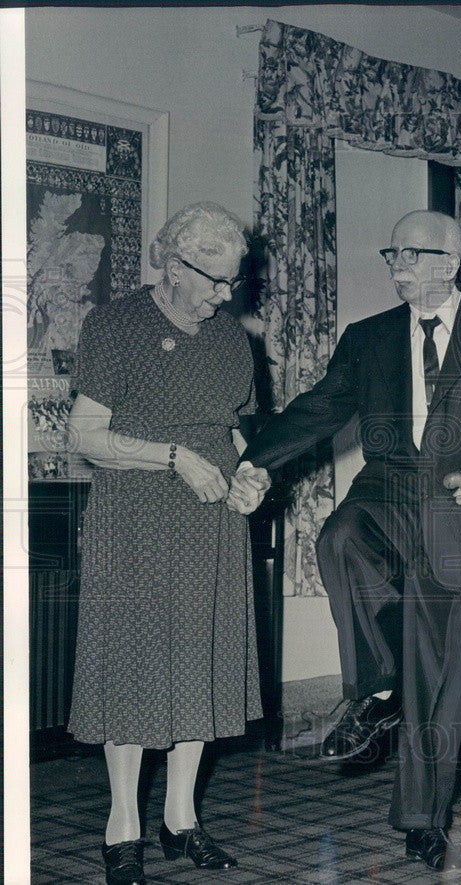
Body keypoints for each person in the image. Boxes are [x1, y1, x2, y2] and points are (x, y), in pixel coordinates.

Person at [239, 210, 461, 873]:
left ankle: (424, 816)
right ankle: (377, 686)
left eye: (408, 253)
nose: (395, 265)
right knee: (340, 538)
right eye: (391, 254)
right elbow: (321, 407)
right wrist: (259, 461)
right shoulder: (370, 337)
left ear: (448, 262)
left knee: (446, 682)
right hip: (388, 491)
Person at [67, 202, 271, 885]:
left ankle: (181, 819)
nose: (225, 294)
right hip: (135, 514)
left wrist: (250, 476)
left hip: (211, 516)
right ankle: (122, 820)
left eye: (231, 281)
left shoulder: (231, 339)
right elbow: (86, 435)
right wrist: (175, 456)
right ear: (173, 265)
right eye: (214, 280)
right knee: (132, 664)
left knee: (201, 660)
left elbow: (239, 432)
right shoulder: (116, 324)